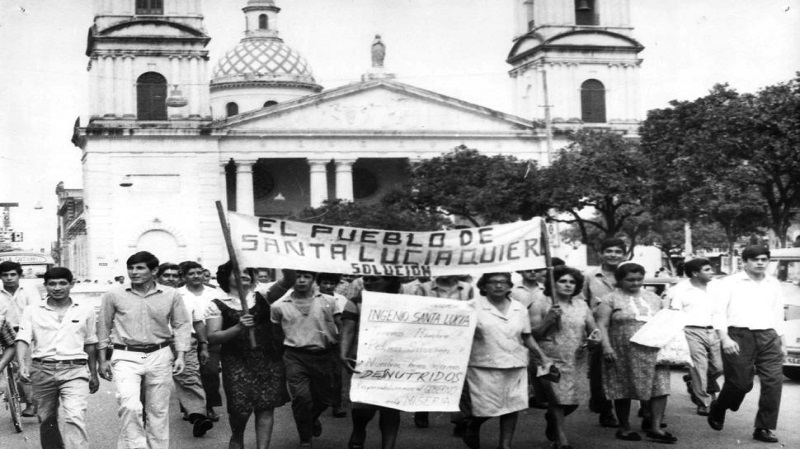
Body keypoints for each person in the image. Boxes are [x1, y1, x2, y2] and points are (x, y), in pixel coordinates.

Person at [97, 251, 192, 449]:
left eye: (140, 268)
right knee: (129, 406)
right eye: (131, 268)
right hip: (125, 355)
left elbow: (181, 324)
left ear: (154, 270)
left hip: (159, 354)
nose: (134, 272)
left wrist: (181, 355)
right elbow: (103, 327)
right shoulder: (113, 295)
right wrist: (102, 359)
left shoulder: (171, 295)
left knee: (158, 411)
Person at [207, 263, 293, 449]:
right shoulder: (217, 304)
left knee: (266, 406)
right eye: (237, 272)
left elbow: (289, 280)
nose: (244, 275)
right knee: (241, 410)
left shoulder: (265, 296)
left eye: (248, 272)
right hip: (236, 361)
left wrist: (282, 259)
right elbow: (213, 337)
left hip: (267, 358)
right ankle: (237, 436)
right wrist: (238, 327)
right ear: (225, 277)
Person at [462, 272, 551, 449]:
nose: (498, 286)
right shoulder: (471, 307)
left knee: (513, 405)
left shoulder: (519, 308)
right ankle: (473, 424)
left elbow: (526, 336)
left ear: (510, 286)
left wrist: (542, 356)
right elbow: (461, 336)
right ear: (484, 286)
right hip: (483, 365)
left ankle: (505, 445)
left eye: (503, 282)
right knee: (485, 407)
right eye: (493, 282)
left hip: (515, 362)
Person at [708, 245, 785, 443]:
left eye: (764, 259)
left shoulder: (774, 283)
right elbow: (718, 312)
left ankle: (763, 427)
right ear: (745, 262)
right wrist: (724, 338)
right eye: (755, 259)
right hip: (738, 336)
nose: (760, 262)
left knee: (773, 383)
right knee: (741, 384)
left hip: (769, 337)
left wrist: (781, 340)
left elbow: (778, 314)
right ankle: (720, 406)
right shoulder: (729, 283)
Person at [15, 267, 99, 449]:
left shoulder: (85, 310)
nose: (57, 288)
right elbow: (22, 339)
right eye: (52, 284)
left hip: (75, 370)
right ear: (45, 286)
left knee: (74, 416)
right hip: (42, 370)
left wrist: (93, 373)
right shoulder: (32, 310)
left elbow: (90, 342)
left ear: (71, 284)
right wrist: (22, 365)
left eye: (62, 283)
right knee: (47, 420)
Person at [595, 262, 676, 443]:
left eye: (639, 279)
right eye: (630, 280)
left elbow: (664, 321)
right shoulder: (610, 299)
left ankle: (656, 428)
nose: (636, 283)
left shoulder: (653, 297)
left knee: (660, 387)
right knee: (622, 388)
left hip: (653, 350)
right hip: (623, 351)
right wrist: (606, 346)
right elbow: (602, 324)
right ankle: (624, 427)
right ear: (620, 280)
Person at [271, 270, 342, 448]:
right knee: (302, 398)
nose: (301, 280)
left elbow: (341, 327)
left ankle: (311, 419)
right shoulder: (279, 305)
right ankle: (305, 438)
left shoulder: (329, 301)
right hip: (296, 356)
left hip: (325, 355)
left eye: (306, 277)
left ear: (313, 280)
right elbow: (276, 334)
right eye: (297, 277)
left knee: (327, 398)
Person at [530, 266, 599, 449]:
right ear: (553, 283)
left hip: (577, 358)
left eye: (572, 282)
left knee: (573, 401)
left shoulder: (581, 304)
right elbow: (532, 334)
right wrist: (549, 319)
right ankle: (561, 441)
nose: (568, 285)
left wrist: (595, 338)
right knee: (558, 399)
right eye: (563, 281)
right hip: (549, 357)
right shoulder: (541, 303)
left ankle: (552, 419)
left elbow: (593, 328)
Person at [339, 275, 404, 449]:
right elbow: (348, 330)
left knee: (391, 407)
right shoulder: (355, 302)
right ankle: (359, 430)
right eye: (366, 279)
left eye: (374, 279)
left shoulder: (405, 302)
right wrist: (344, 354)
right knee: (363, 408)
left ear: (389, 281)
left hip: (395, 362)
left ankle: (388, 446)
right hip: (364, 360)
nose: (368, 282)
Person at [413, 274, 475, 430]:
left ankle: (462, 419)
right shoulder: (424, 288)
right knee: (426, 375)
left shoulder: (467, 289)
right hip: (430, 339)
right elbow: (416, 312)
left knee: (460, 379)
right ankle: (422, 408)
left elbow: (474, 311)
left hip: (459, 340)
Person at [666, 258, 722, 416]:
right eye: (707, 270)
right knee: (699, 367)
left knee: (719, 367)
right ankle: (704, 402)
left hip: (715, 330)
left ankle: (693, 381)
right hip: (692, 331)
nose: (711, 272)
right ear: (695, 273)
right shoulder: (680, 290)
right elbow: (675, 313)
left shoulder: (717, 286)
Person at [582, 238, 627, 428]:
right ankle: (605, 410)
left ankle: (643, 408)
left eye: (618, 251)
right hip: (598, 327)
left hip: (624, 328)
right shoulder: (590, 277)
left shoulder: (628, 273)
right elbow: (582, 302)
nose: (613, 255)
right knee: (599, 370)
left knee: (625, 369)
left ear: (624, 254)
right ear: (601, 253)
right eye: (609, 251)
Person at [0, 260, 41, 417]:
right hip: (4, 331)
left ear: (19, 275)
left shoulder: (29, 290)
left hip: (26, 331)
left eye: (12, 274)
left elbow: (36, 312)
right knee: (10, 366)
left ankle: (31, 403)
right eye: (5, 275)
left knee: (24, 366)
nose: (9, 278)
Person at [316, 272, 350, 418]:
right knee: (318, 375)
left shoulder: (341, 299)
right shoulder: (312, 298)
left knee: (336, 374)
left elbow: (343, 322)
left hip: (334, 341)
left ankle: (337, 405)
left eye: (331, 283)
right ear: (319, 283)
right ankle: (317, 404)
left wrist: (344, 340)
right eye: (325, 283)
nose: (328, 286)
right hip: (316, 340)